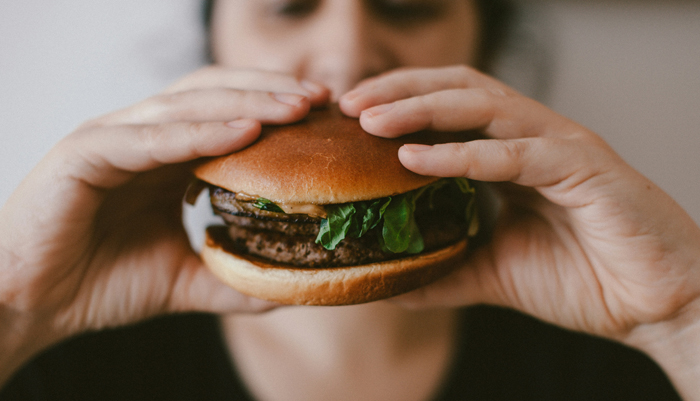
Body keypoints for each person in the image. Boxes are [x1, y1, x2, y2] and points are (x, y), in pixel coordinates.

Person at [1, 0, 698, 399]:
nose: (345, 56)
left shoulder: (610, 357)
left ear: (479, 46)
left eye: (409, 3)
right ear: (212, 40)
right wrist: (16, 307)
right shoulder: (70, 359)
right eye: (286, 5)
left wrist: (682, 316)